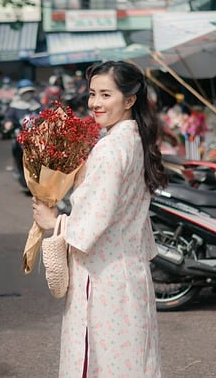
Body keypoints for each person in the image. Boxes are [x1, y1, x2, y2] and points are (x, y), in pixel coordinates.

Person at [32, 61, 166, 377]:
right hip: (129, 272)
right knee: (131, 360)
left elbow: (93, 221)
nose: (95, 103)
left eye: (106, 94)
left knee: (102, 363)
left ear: (129, 99)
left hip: (104, 277)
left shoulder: (110, 149)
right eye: (93, 94)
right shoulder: (134, 140)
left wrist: (53, 221)